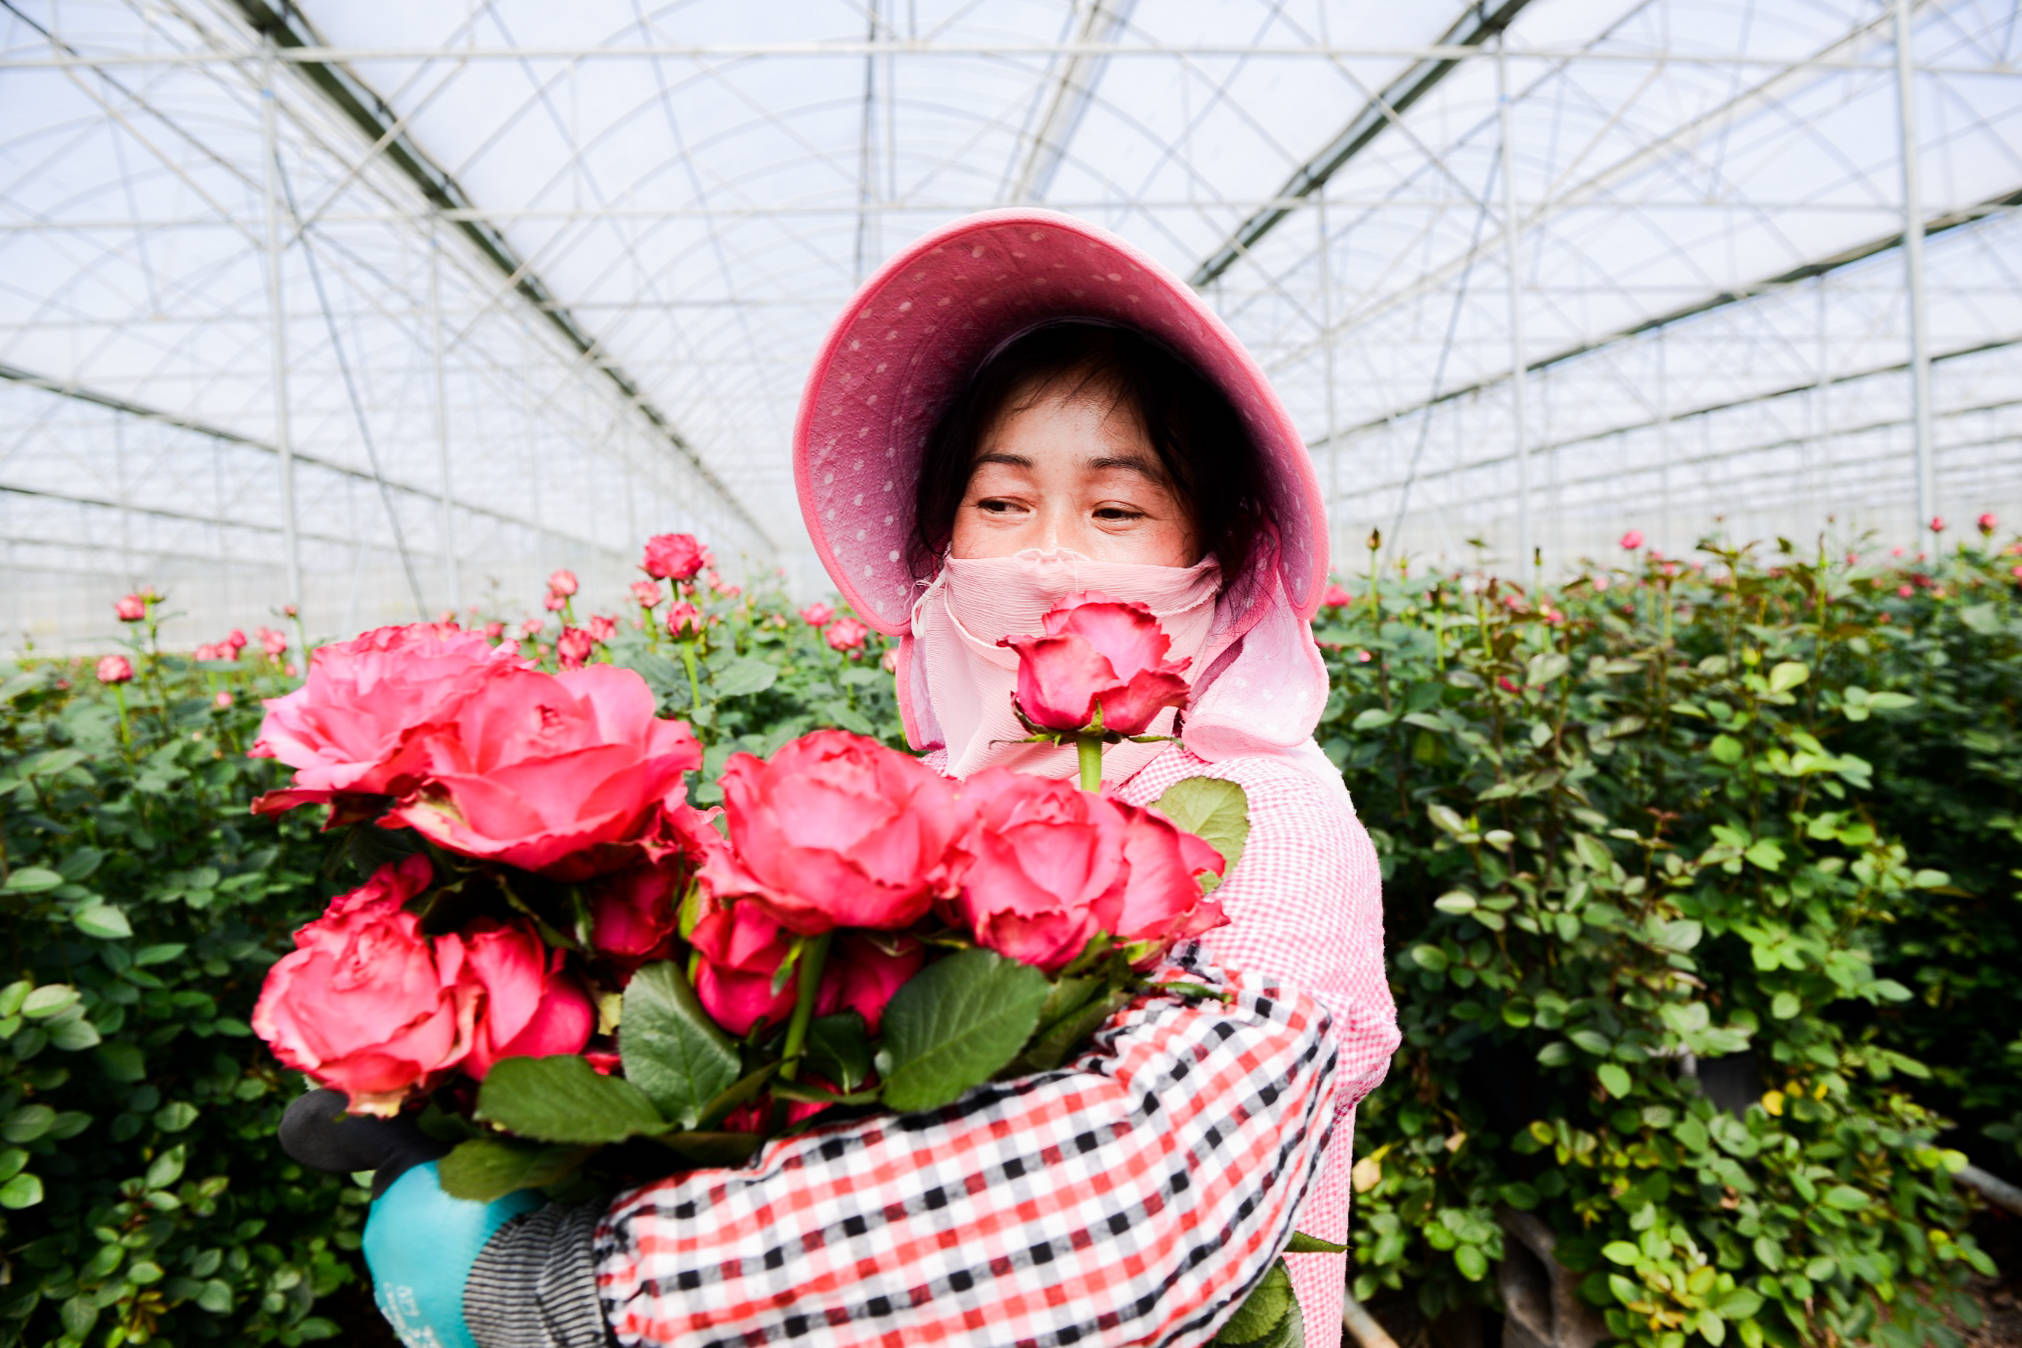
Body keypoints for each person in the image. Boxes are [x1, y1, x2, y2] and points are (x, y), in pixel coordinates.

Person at [291, 209, 1399, 1348]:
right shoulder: (947, 798)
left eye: (1116, 510)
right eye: (1002, 503)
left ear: (1217, 557)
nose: (1045, 553)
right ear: (942, 541)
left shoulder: (1274, 818)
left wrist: (588, 1287)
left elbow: (1147, 1195)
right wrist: (485, 1067)